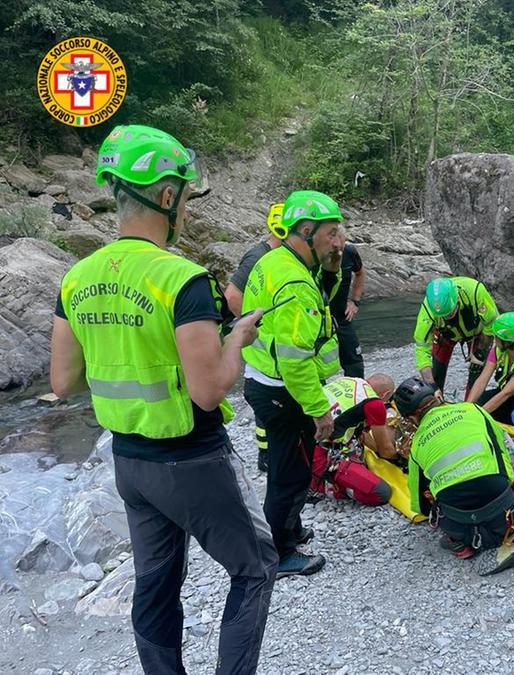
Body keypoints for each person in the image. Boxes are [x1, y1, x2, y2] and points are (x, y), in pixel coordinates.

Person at [49, 124, 277, 674]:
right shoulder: (182, 278)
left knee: (155, 585)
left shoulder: (77, 278)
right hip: (192, 459)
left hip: (129, 463)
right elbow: (210, 388)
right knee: (255, 568)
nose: (189, 211)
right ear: (168, 196)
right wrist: (236, 339)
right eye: (188, 197)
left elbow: (62, 383)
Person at [241, 189, 344, 577]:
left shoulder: (279, 260)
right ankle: (279, 553)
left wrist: (332, 270)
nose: (339, 241)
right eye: (332, 232)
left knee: (287, 465)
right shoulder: (294, 283)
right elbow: (295, 360)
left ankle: (291, 528)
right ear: (306, 229)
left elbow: (321, 301)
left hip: (263, 381)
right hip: (282, 392)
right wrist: (319, 410)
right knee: (292, 472)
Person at [395, 376, 514, 575]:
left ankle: (463, 541)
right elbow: (502, 451)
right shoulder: (473, 410)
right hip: (497, 498)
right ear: (437, 396)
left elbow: (420, 505)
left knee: (455, 519)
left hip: (457, 518)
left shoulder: (416, 445)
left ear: (410, 418)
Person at [223, 202, 284, 473]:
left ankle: (269, 453)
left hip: (271, 341)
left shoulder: (280, 257)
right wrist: (253, 327)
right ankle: (266, 455)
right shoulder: (257, 256)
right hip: (260, 341)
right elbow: (232, 297)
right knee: (264, 395)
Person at [310, 374, 397, 505]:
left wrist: (377, 451)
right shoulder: (374, 403)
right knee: (381, 493)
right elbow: (386, 451)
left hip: (302, 440)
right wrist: (400, 459)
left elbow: (360, 432)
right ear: (386, 394)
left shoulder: (349, 381)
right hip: (321, 454)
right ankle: (325, 487)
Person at [413, 276, 498, 393]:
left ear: (457, 297)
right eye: (443, 315)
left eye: (450, 312)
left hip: (476, 333)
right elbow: (422, 348)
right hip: (444, 335)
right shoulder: (427, 310)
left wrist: (480, 352)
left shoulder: (476, 291)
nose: (447, 316)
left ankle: (471, 405)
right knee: (436, 376)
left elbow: (491, 325)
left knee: (476, 372)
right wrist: (431, 385)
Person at [330, 226, 366, 378]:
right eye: (334, 245)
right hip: (318, 317)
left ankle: (356, 398)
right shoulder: (314, 255)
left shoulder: (349, 252)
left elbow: (360, 272)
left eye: (341, 244)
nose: (338, 247)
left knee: (355, 365)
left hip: (342, 317)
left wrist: (355, 301)